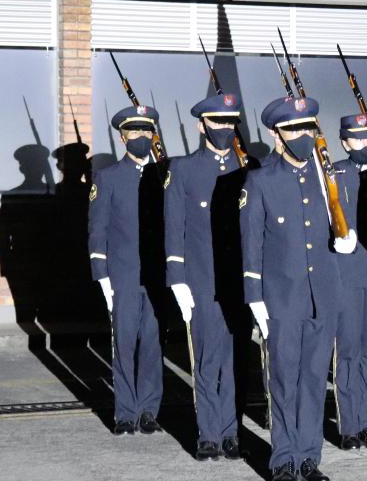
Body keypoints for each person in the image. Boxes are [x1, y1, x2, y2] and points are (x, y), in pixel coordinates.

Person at [241, 95, 357, 481]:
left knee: (312, 379)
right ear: (277, 136)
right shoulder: (260, 181)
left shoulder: (328, 177)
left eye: (308, 128)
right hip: (282, 298)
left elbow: (341, 222)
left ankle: (309, 457)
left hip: (323, 295)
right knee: (284, 379)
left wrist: (346, 238)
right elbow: (251, 242)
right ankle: (283, 459)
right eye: (293, 130)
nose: (302, 136)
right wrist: (254, 297)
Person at [164, 92, 252, 461]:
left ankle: (232, 430)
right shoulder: (183, 169)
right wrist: (177, 278)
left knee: (237, 357)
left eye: (230, 123)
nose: (224, 129)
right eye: (217, 122)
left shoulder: (251, 166)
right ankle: (209, 433)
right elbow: (174, 226)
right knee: (207, 356)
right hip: (203, 280)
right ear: (201, 126)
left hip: (243, 280)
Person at [88, 105, 166, 436]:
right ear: (123, 138)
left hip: (158, 276)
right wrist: (102, 276)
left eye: (146, 132)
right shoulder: (108, 177)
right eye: (134, 133)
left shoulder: (166, 175)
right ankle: (125, 412)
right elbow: (97, 229)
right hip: (123, 275)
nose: (141, 138)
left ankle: (149, 409)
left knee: (152, 343)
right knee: (124, 342)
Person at [330, 113, 367, 450]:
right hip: (349, 278)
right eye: (357, 139)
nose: (365, 144)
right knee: (349, 353)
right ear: (344, 143)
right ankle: (349, 426)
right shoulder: (334, 176)